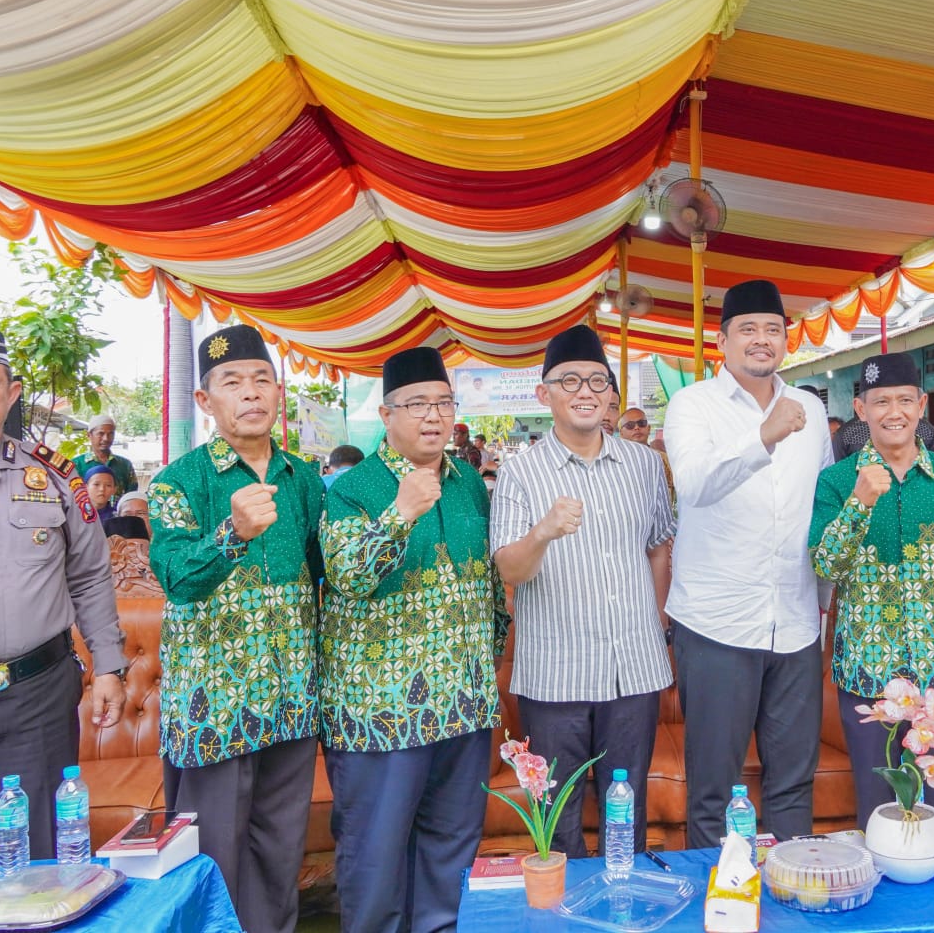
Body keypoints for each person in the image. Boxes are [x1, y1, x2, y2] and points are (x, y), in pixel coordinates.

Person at [0, 326, 126, 863]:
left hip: (37, 697)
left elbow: (89, 574)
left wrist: (108, 667)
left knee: (41, 860)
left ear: (10, 394)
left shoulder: (55, 477)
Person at [320, 347, 509, 932]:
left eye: (444, 403)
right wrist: (398, 514)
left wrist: (492, 656)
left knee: (453, 842)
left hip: (465, 702)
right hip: (382, 708)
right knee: (375, 850)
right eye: (418, 404)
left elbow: (491, 583)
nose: (434, 416)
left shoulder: (468, 486)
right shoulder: (354, 488)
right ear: (387, 414)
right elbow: (348, 577)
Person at [147, 325, 326, 933]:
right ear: (205, 401)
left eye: (260, 380)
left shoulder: (303, 478)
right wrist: (232, 535)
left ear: (278, 392)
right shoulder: (179, 481)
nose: (250, 394)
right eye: (231, 383)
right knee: (212, 852)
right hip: (214, 702)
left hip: (292, 695)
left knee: (281, 848)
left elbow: (323, 569)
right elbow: (175, 576)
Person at [491, 326, 674, 857]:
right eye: (569, 380)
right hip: (556, 674)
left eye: (598, 380)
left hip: (634, 666)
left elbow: (660, 544)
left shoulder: (643, 465)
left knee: (627, 800)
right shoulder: (521, 473)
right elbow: (509, 567)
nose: (586, 390)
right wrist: (543, 532)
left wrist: (657, 621)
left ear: (612, 395)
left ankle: (627, 897)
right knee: (558, 809)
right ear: (543, 394)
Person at [663, 279, 833, 847]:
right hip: (717, 624)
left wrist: (826, 604)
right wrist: (763, 436)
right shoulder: (693, 405)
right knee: (714, 786)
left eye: (773, 330)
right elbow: (693, 484)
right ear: (723, 340)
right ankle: (719, 902)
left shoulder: (809, 407)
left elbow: (823, 508)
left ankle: (794, 896)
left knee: (793, 781)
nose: (762, 340)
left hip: (796, 623)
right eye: (749, 330)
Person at [810, 353, 934, 846]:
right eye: (880, 402)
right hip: (869, 679)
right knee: (880, 814)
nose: (892, 412)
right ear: (860, 409)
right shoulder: (836, 482)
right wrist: (860, 502)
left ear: (921, 406)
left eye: (903, 400)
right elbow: (825, 566)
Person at [71, 414, 137, 505]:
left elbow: (131, 496)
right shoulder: (76, 464)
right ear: (89, 435)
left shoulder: (125, 465)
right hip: (86, 517)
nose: (106, 438)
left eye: (110, 434)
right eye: (100, 434)